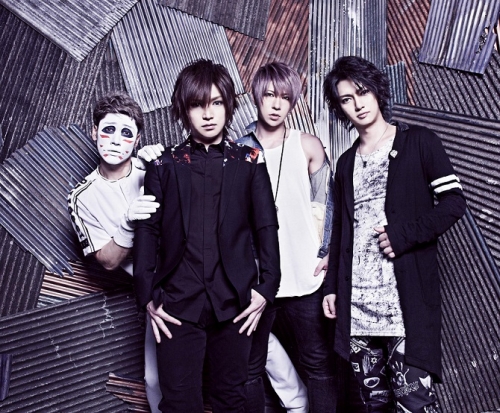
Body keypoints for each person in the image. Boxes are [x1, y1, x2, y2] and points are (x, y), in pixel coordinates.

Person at [132, 59, 281, 413]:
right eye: (198, 104)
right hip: (177, 304)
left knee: (231, 399)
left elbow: (266, 227)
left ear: (228, 104)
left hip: (235, 302)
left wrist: (266, 288)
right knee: (179, 402)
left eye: (216, 102)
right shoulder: (163, 165)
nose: (208, 114)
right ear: (184, 110)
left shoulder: (250, 161)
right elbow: (148, 232)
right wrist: (148, 296)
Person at [322, 56, 466, 412]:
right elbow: (341, 230)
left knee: (414, 403)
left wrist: (404, 235)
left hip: (403, 305)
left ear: (377, 90)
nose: (358, 104)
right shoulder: (345, 163)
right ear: (340, 108)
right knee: (375, 405)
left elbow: (454, 203)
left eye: (362, 92)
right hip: (358, 306)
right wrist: (331, 288)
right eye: (346, 99)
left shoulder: (419, 141)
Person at [237, 62, 337, 413]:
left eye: (285, 97)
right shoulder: (237, 151)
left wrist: (326, 251)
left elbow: (327, 207)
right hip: (257, 280)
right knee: (248, 368)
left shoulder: (308, 145)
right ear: (257, 97)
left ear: (293, 101)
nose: (277, 104)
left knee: (318, 364)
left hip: (304, 276)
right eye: (269, 95)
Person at [67, 92, 165, 412]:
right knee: (155, 380)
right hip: (153, 292)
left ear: (137, 140)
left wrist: (168, 164)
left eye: (126, 133)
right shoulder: (82, 197)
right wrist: (127, 223)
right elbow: (107, 261)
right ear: (94, 132)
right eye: (108, 130)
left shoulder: (151, 167)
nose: (115, 140)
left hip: (195, 273)